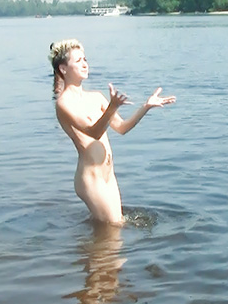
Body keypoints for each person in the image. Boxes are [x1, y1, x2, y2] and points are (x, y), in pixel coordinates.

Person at [50, 39, 175, 225]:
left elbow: (122, 128)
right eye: (78, 61)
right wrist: (111, 107)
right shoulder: (64, 103)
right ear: (63, 68)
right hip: (91, 178)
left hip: (108, 175)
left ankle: (88, 248)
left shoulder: (96, 97)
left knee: (113, 226)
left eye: (85, 59)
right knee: (115, 227)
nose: (85, 64)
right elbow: (93, 132)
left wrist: (146, 107)